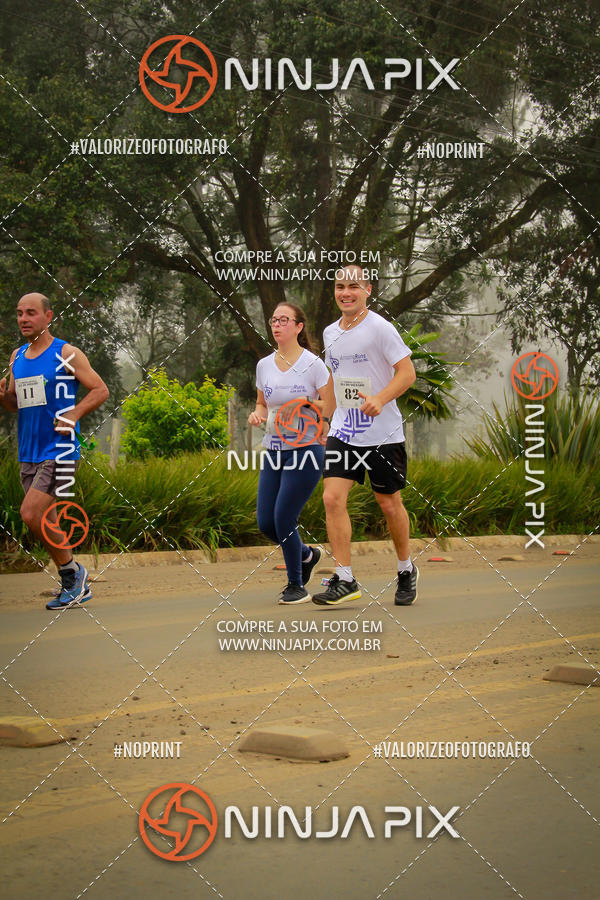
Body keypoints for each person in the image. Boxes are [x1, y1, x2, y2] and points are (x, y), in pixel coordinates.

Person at [311, 266, 419, 607]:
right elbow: (335, 379)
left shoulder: (380, 329)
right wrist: (324, 419)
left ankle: (405, 569)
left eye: (353, 287)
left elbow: (408, 373)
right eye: (340, 287)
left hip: (383, 432)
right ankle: (344, 579)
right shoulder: (330, 333)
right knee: (332, 498)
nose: (346, 292)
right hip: (345, 429)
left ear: (367, 290)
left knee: (389, 504)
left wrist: (380, 398)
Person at [0, 292, 109, 609]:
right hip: (29, 452)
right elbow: (15, 405)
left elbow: (100, 389)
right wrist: (3, 396)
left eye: (31, 313)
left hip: (59, 450)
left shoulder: (66, 353)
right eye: (19, 313)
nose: (23, 319)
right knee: (43, 519)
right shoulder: (16, 357)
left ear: (48, 317)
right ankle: (74, 576)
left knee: (30, 513)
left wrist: (74, 414)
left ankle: (72, 577)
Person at [249, 303, 335, 604]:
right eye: (274, 320)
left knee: (284, 517)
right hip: (273, 450)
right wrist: (257, 414)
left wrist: (309, 411)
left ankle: (296, 584)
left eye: (284, 320)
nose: (277, 325)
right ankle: (307, 555)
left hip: (306, 449)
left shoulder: (313, 365)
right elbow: (262, 403)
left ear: (299, 327)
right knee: (266, 523)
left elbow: (331, 403)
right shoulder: (264, 365)